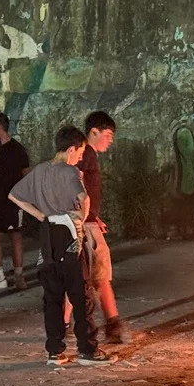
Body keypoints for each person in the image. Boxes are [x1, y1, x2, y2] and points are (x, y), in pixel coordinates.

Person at [9, 126, 112, 366]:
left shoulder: (40, 170)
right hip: (69, 233)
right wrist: (81, 218)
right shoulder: (70, 171)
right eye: (80, 153)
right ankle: (87, 350)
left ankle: (55, 351)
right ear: (71, 149)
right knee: (81, 294)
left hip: (48, 234)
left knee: (52, 294)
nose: (79, 158)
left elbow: (14, 195)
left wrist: (39, 215)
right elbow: (84, 199)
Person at [63, 111, 128, 343]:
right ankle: (112, 324)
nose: (110, 140)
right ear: (93, 132)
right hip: (83, 225)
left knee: (85, 275)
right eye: (107, 135)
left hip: (87, 222)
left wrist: (93, 216)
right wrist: (83, 216)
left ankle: (67, 324)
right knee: (98, 274)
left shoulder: (86, 154)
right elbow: (76, 182)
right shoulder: (86, 153)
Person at [0, 112, 30, 290]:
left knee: (15, 235)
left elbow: (26, 174)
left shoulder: (18, 149)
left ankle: (18, 275)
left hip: (14, 199)